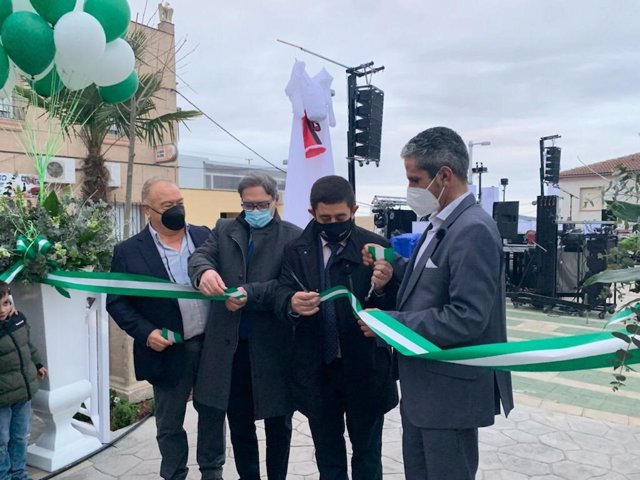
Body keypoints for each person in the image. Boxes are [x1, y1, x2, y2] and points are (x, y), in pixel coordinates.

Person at [361, 126, 514, 480]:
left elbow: (467, 317)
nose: (411, 189)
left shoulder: (472, 228)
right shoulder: (439, 223)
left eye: (415, 179)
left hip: (449, 395)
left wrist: (389, 324)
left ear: (444, 176)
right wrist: (393, 268)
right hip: (425, 392)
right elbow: (430, 283)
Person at [275, 175, 399, 480]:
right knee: (328, 455)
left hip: (365, 367)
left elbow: (398, 305)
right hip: (318, 369)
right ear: (311, 214)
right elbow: (281, 290)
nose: (333, 223)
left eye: (341, 217)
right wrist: (291, 302)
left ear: (354, 209)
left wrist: (382, 289)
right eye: (325, 218)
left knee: (368, 454)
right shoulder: (295, 249)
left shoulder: (377, 247)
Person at [106, 178, 225, 480]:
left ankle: (213, 471)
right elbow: (117, 303)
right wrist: (146, 333)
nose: (177, 211)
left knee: (212, 414)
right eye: (168, 206)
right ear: (147, 210)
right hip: (168, 350)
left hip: (210, 346)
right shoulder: (129, 251)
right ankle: (174, 474)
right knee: (169, 423)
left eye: (180, 203)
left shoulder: (204, 236)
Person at [188, 173, 302, 480]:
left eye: (261, 204)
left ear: (274, 200)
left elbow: (288, 285)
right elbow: (199, 256)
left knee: (279, 422)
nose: (254, 210)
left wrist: (251, 294)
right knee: (239, 422)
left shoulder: (292, 236)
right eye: (248, 205)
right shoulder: (225, 229)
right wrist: (204, 273)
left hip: (273, 347)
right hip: (231, 347)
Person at [0, 280, 47, 480]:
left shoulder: (17, 320)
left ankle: (19, 473)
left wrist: (37, 364)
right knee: (1, 440)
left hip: (23, 391)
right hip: (2, 397)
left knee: (20, 436)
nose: (2, 309)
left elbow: (28, 345)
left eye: (5, 303)